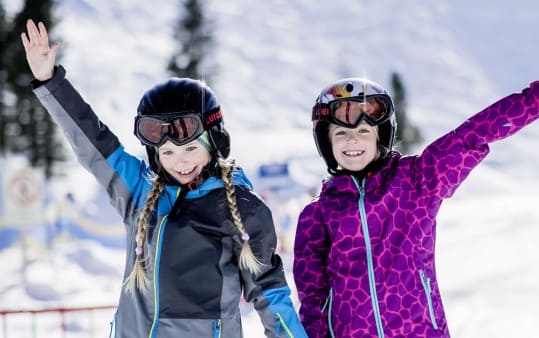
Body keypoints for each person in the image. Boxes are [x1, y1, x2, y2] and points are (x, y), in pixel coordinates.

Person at [21, 19, 308, 338]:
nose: (179, 162)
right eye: (166, 153)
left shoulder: (242, 210)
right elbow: (94, 142)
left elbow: (270, 295)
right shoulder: (140, 194)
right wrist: (50, 81)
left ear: (214, 143)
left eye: (188, 149)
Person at [293, 77, 539, 337]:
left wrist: (534, 99)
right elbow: (313, 301)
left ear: (381, 136)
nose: (352, 141)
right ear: (326, 142)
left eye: (363, 131)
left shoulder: (418, 181)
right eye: (341, 133)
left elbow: (473, 135)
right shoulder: (316, 215)